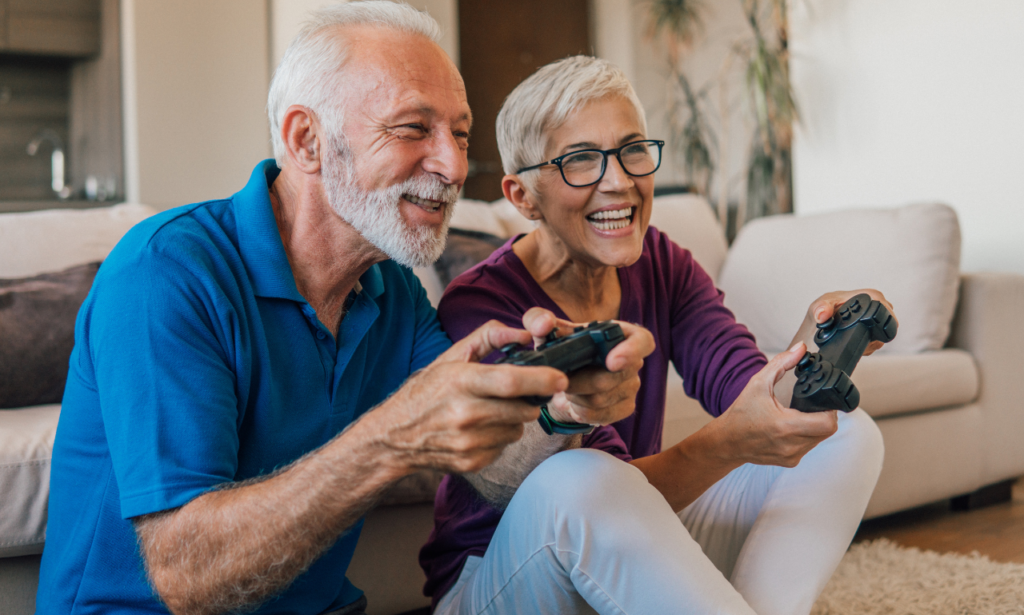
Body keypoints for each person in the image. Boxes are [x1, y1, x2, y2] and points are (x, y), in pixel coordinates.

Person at [34, 6, 653, 615]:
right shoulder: (167, 272)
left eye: (460, 134)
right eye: (414, 128)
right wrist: (393, 436)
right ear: (308, 141)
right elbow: (188, 576)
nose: (455, 165)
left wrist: (561, 410)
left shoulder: (393, 291)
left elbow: (492, 470)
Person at [419, 55, 891, 615]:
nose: (618, 182)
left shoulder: (661, 261)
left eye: (631, 151)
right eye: (581, 161)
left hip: (624, 533)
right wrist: (727, 443)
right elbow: (595, 493)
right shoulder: (484, 305)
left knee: (846, 433)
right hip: (505, 577)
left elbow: (752, 392)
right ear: (522, 196)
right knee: (575, 475)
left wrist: (814, 347)